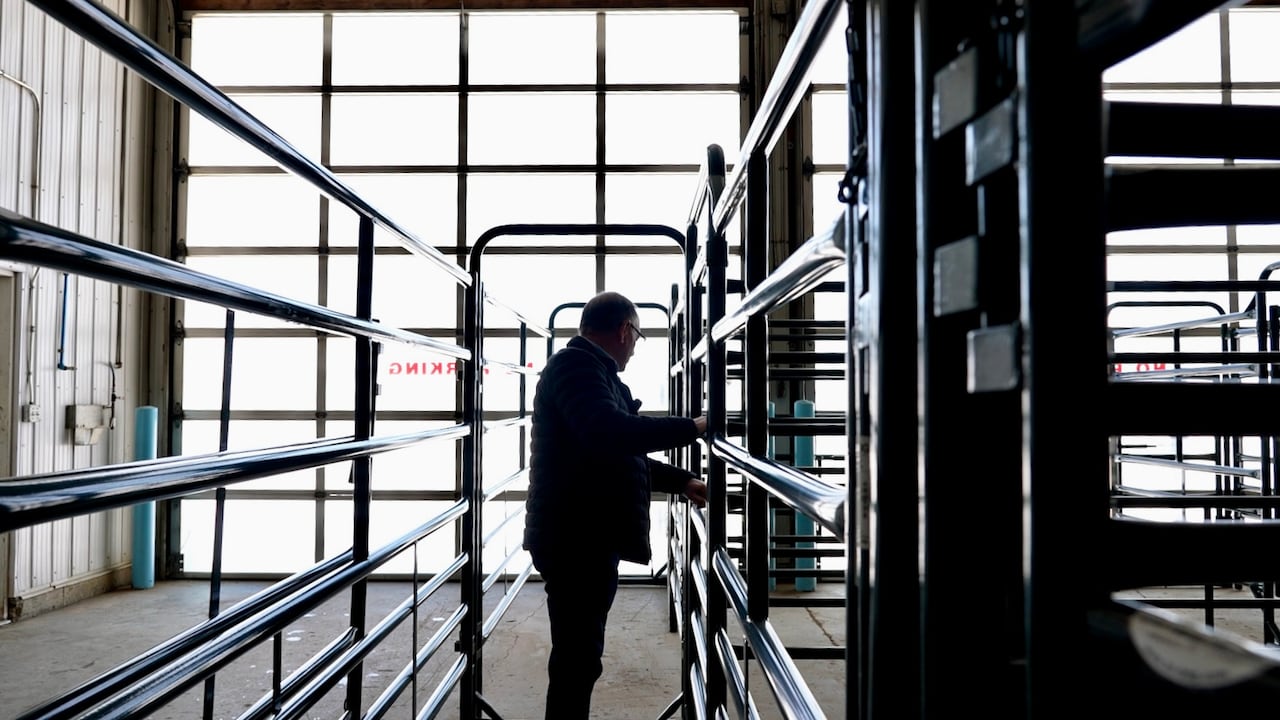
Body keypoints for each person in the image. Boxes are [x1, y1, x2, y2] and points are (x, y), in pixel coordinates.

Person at [524, 290, 708, 720]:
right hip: (574, 539)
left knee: (580, 656)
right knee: (577, 659)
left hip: (581, 535)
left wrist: (682, 481)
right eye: (639, 336)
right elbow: (609, 432)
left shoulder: (589, 371)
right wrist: (694, 427)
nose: (635, 347)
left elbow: (617, 453)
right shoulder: (575, 367)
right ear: (625, 330)